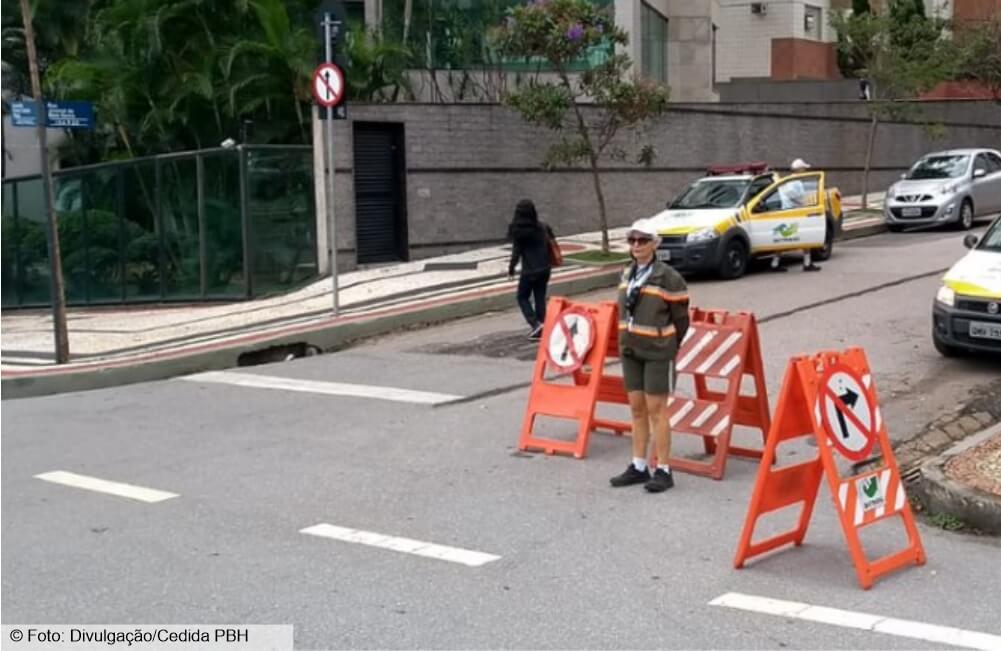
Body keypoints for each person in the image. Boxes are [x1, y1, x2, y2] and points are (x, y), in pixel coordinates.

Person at [610, 219, 690, 493]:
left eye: (642, 240)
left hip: (657, 351)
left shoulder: (668, 277)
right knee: (636, 409)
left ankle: (664, 469)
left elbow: (681, 319)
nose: (636, 245)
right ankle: (638, 465)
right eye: (632, 240)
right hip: (630, 349)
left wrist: (668, 343)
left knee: (657, 410)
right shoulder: (626, 273)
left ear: (655, 243)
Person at [507, 199, 555, 339]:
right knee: (540, 297)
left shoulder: (518, 231)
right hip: (545, 268)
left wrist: (511, 269)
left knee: (522, 297)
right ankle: (541, 325)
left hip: (529, 270)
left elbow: (516, 253)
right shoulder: (542, 227)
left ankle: (535, 324)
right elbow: (551, 240)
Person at [771, 158, 823, 273]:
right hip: (796, 213)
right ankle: (807, 263)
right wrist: (806, 205)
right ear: (799, 170)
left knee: (783, 239)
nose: (805, 170)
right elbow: (797, 198)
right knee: (806, 237)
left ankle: (775, 263)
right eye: (804, 168)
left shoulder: (788, 181)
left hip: (786, 212)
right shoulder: (796, 182)